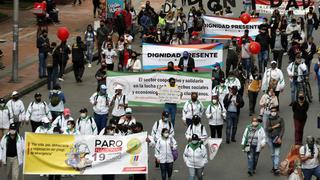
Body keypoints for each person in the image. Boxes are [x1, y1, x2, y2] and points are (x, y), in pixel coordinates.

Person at [266, 107, 285, 175]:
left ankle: (276, 168)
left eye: (274, 111)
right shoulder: (268, 119)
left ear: (277, 112)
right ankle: (274, 166)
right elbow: (267, 129)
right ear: (270, 112)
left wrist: (280, 137)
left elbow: (282, 129)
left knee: (277, 154)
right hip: (270, 138)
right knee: (272, 154)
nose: (273, 112)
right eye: (272, 111)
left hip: (277, 138)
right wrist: (275, 126)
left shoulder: (280, 119)